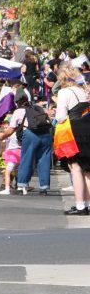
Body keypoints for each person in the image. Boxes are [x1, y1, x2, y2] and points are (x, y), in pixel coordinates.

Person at [53, 64, 90, 215]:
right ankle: (88, 204)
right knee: (88, 170)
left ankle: (81, 205)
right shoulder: (85, 91)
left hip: (73, 132)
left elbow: (61, 117)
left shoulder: (64, 92)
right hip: (88, 128)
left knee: (75, 168)